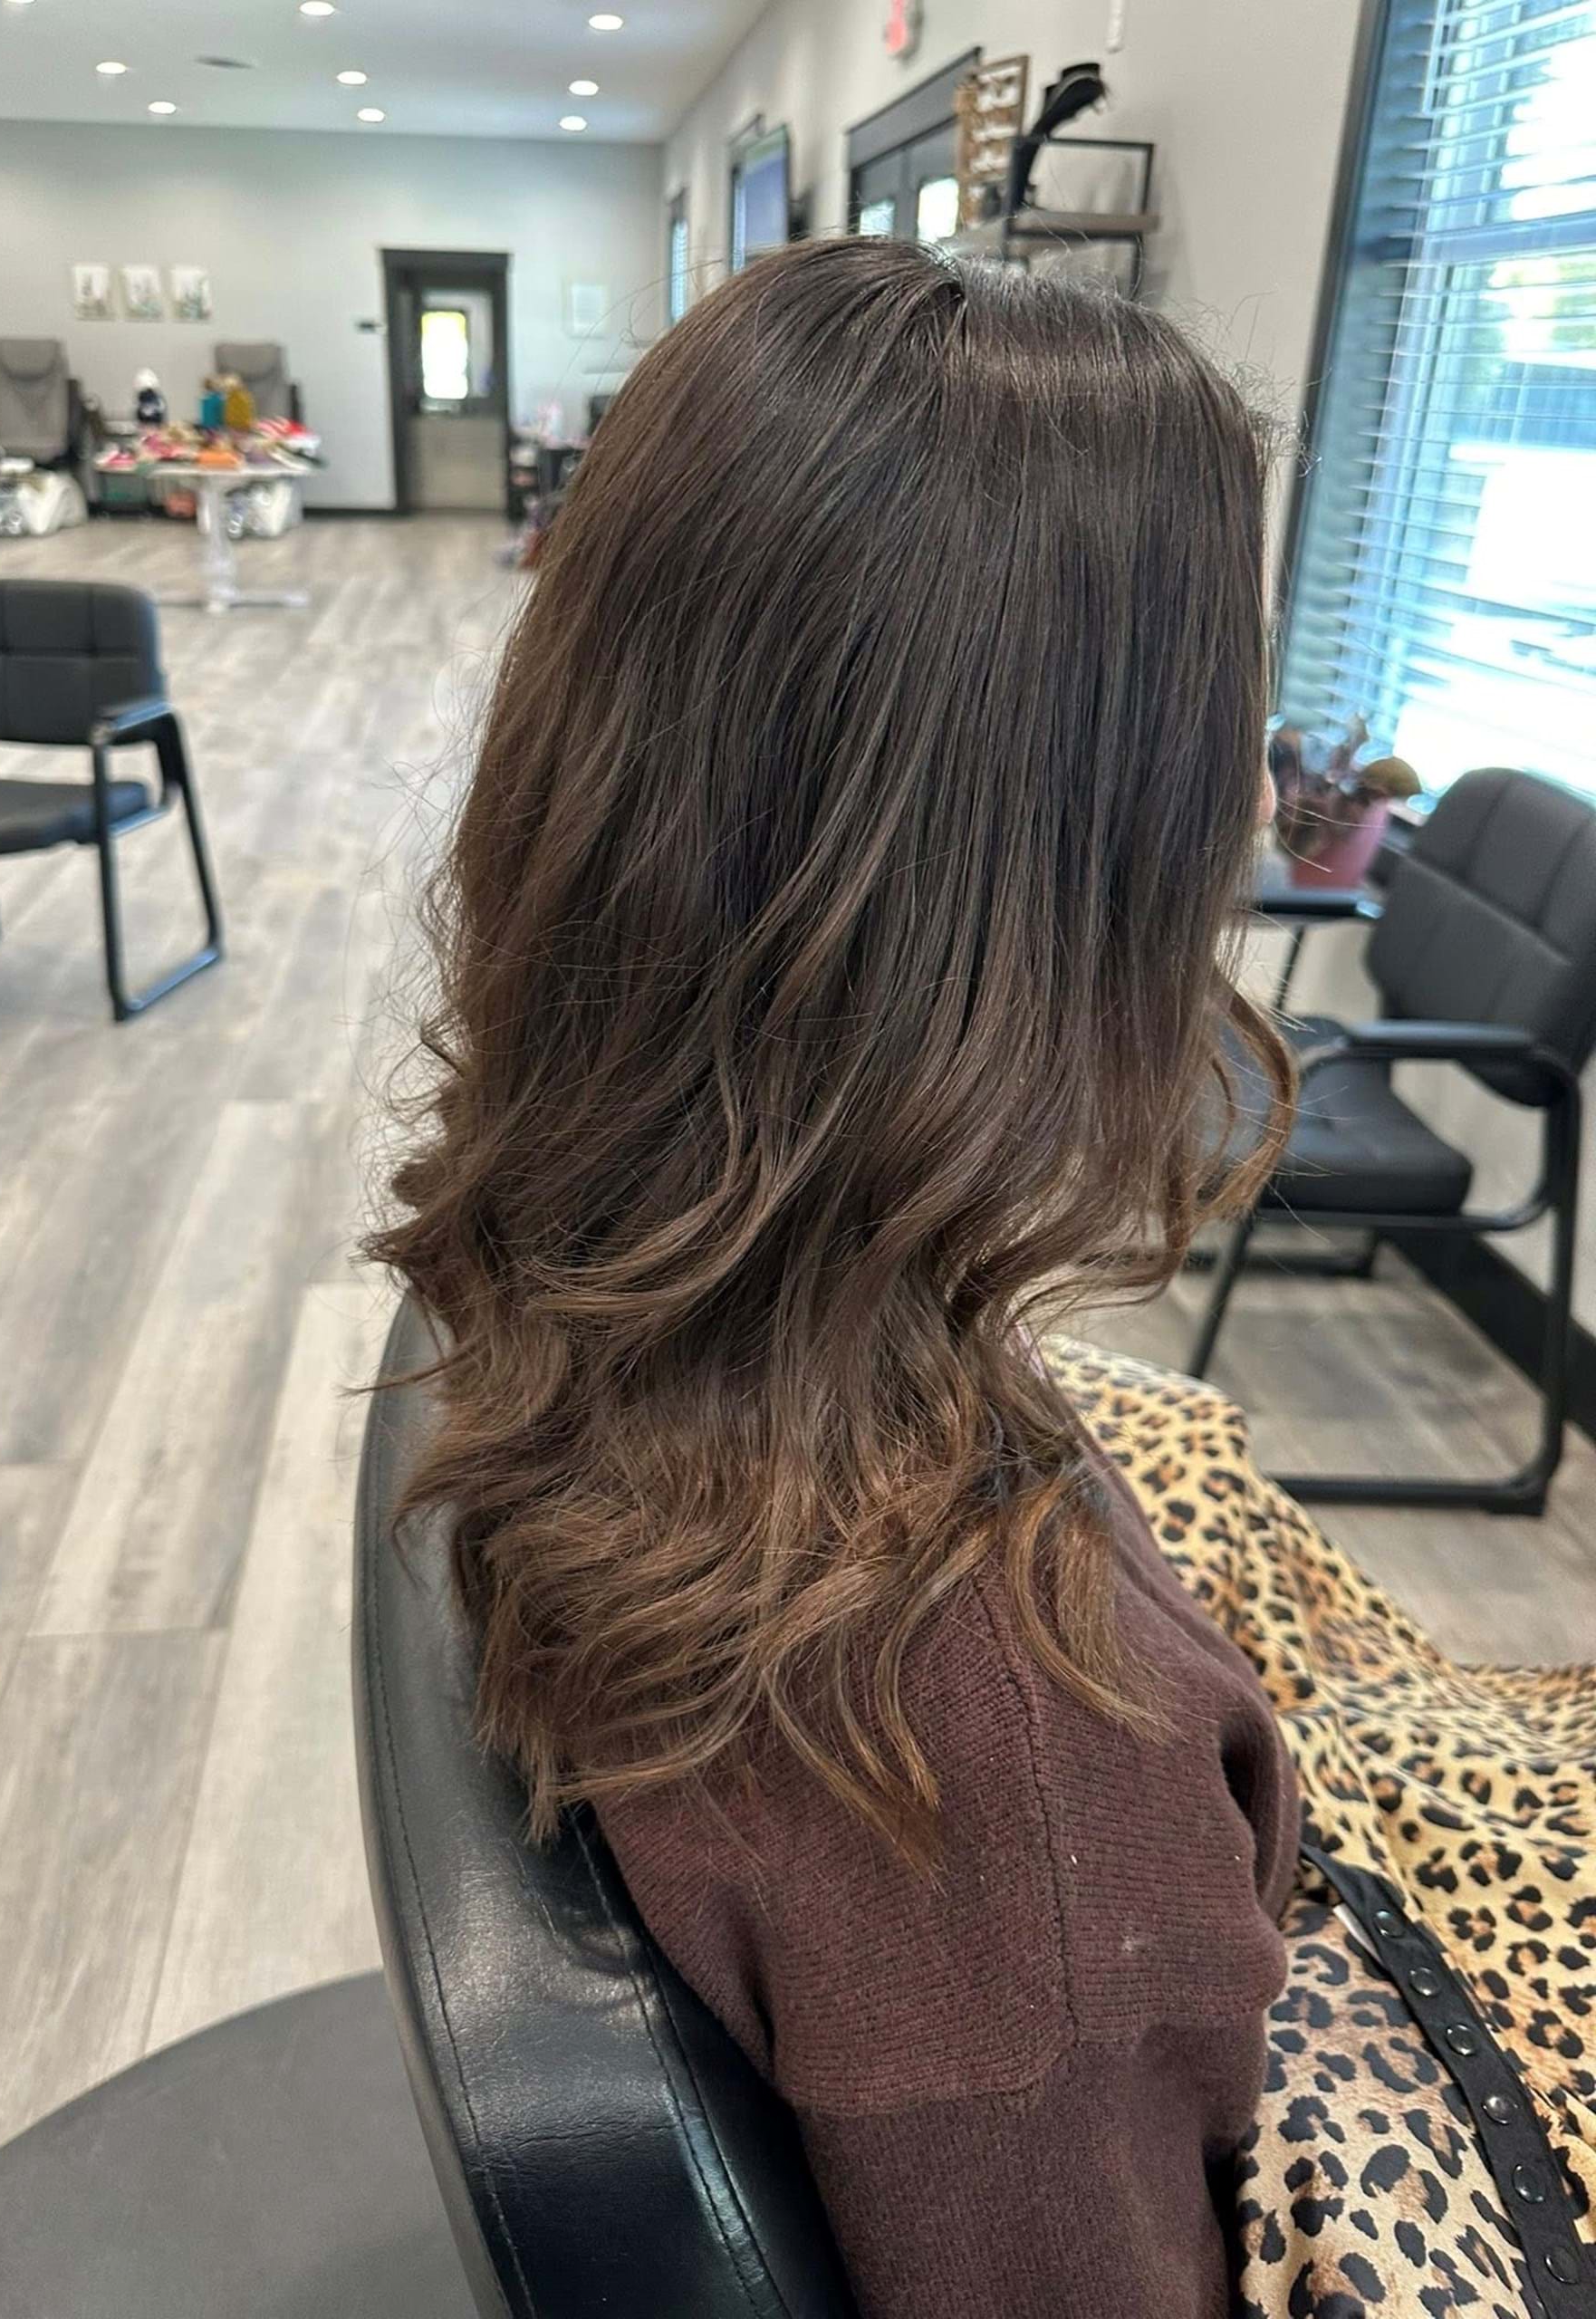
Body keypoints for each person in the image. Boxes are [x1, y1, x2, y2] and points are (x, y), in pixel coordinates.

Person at [370, 239, 1595, 2314]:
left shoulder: (573, 1279)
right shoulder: (1000, 1782)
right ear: (1059, 842)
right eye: (1220, 713)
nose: (1255, 786)